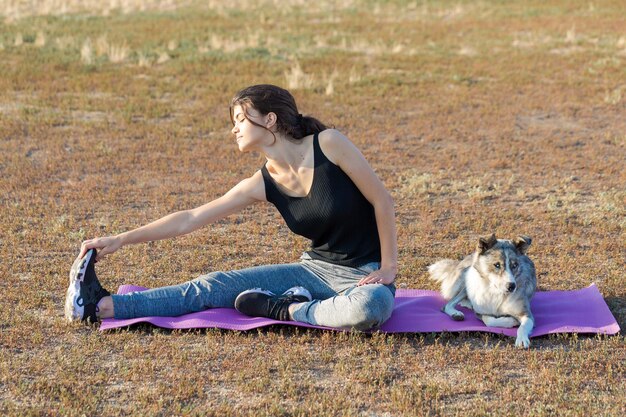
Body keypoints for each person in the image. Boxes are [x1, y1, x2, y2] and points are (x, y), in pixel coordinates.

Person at [65, 84, 397, 331]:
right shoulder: (261, 183)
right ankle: (101, 306)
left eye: (240, 118)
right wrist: (121, 239)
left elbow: (381, 199)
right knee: (212, 285)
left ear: (270, 119)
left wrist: (388, 268)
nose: (233, 128)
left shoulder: (329, 144)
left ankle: (289, 310)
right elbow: (190, 219)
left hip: (364, 276)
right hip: (312, 271)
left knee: (368, 309)